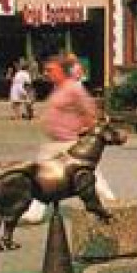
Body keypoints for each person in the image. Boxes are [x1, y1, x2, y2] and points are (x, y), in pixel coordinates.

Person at [24, 54, 113, 219]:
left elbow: (89, 110)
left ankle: (110, 202)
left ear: (62, 71)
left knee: (49, 173)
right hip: (56, 142)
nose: (47, 73)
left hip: (70, 141)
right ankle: (34, 211)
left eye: (51, 70)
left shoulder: (74, 88)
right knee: (48, 174)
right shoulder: (58, 88)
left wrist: (87, 132)